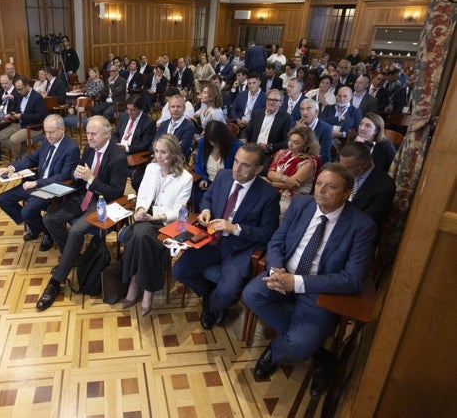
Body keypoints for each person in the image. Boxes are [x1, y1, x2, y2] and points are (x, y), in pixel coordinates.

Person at [242, 163, 376, 399]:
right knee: (251, 294)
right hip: (283, 274)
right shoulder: (301, 204)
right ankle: (320, 353)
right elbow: (277, 242)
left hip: (319, 289)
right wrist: (275, 270)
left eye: (331, 187)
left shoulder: (362, 226)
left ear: (347, 194)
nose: (321, 190)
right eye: (319, 183)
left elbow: (352, 279)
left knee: (298, 346)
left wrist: (298, 283)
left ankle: (277, 350)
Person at [173, 143, 281, 329]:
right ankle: (209, 295)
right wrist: (205, 209)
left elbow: (267, 233)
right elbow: (208, 197)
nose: (237, 169)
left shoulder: (269, 195)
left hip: (239, 248)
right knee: (179, 271)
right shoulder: (224, 176)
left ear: (258, 169)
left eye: (245, 165)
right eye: (236, 161)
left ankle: (213, 306)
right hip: (212, 240)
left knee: (228, 293)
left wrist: (235, 228)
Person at [37, 116, 128, 311]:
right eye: (87, 133)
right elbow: (78, 179)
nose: (89, 137)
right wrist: (76, 175)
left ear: (107, 134)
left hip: (101, 203)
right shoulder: (88, 149)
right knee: (49, 218)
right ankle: (73, 258)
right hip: (82, 197)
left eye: (93, 134)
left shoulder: (118, 157)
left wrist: (92, 179)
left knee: (76, 231)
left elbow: (115, 193)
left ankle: (56, 282)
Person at [120, 134, 193, 316]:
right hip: (146, 216)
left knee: (139, 236)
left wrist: (156, 218)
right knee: (141, 236)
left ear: (174, 154)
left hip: (166, 222)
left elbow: (179, 211)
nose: (159, 156)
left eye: (164, 152)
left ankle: (136, 283)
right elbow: (143, 194)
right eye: (157, 151)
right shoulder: (152, 168)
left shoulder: (185, 178)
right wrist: (141, 209)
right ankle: (146, 290)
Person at [0, 115, 80, 251]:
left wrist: (37, 183)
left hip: (53, 188)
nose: (48, 135)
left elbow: (64, 176)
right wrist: (11, 168)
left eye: (51, 132)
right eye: (46, 132)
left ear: (62, 129)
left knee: (27, 211)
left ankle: (46, 233)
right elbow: (31, 159)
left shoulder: (71, 148)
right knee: (2, 199)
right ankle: (37, 227)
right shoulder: (47, 142)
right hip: (36, 183)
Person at [266, 126, 321, 217]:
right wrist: (286, 179)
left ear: (306, 145)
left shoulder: (309, 162)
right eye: (290, 140)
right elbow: (270, 174)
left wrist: (271, 183)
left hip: (290, 199)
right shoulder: (281, 153)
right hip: (273, 191)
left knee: (273, 210)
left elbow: (292, 185)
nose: (290, 144)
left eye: (296, 143)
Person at [339, 142, 396, 224]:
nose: (343, 171)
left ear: (365, 164)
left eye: (349, 168)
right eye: (342, 166)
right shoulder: (343, 173)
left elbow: (369, 220)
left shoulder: (385, 186)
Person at [193, 120, 242, 210]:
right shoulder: (203, 142)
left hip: (227, 185)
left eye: (216, 141)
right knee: (199, 201)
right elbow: (199, 165)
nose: (213, 144)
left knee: (219, 207)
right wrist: (203, 179)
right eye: (211, 141)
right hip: (207, 183)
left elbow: (237, 171)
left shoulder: (236, 146)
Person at [0, 77, 47, 158]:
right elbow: (18, 110)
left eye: (20, 89)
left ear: (26, 86)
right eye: (17, 90)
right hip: (20, 123)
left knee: (14, 139)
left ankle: (18, 161)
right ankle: (24, 152)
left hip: (33, 127)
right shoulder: (21, 96)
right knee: (0, 136)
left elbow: (40, 116)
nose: (18, 92)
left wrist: (21, 116)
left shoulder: (37, 97)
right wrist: (12, 114)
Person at [240, 89, 291, 171]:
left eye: (275, 100)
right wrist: (243, 139)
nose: (271, 102)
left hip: (269, 153)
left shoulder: (286, 118)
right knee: (239, 164)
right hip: (252, 148)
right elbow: (247, 131)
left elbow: (286, 142)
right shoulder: (257, 113)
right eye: (269, 99)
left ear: (281, 103)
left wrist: (270, 146)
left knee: (259, 170)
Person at [154, 95, 196, 159]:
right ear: (169, 109)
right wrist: (174, 146)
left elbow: (182, 150)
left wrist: (161, 148)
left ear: (184, 109)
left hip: (176, 163)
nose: (175, 109)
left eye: (178, 107)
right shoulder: (163, 124)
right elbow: (153, 144)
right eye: (172, 107)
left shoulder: (189, 127)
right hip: (159, 160)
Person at [294, 99, 333, 165]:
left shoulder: (326, 129)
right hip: (296, 160)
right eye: (302, 109)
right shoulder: (294, 125)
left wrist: (306, 132)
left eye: (308, 109)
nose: (304, 113)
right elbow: (288, 147)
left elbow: (324, 155)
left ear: (316, 112)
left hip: (316, 162)